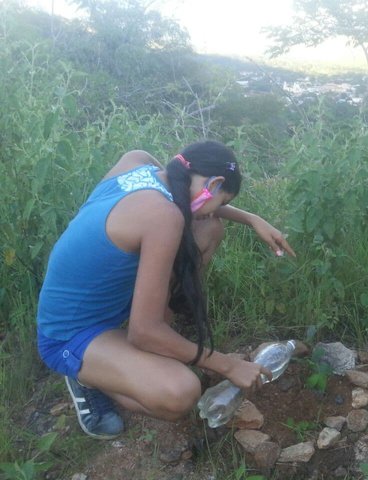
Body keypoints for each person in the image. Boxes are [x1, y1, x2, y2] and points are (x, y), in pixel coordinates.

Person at [36, 140, 296, 439]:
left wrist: (251, 218)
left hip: (103, 300)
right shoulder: (164, 217)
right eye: (222, 202)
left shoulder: (138, 162)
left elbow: (194, 200)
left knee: (208, 228)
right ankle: (86, 378)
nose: (218, 210)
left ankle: (144, 349)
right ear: (214, 183)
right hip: (68, 333)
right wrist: (229, 365)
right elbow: (143, 332)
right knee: (180, 393)